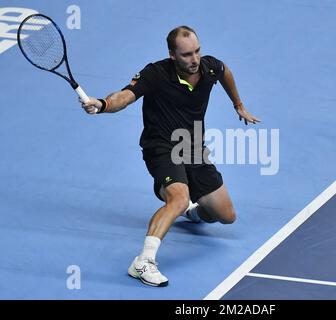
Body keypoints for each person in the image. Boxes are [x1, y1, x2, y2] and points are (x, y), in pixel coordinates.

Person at [80, 26, 260, 287]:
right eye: (186, 54)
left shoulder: (209, 68)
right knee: (178, 197)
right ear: (172, 55)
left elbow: (225, 71)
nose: (194, 59)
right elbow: (124, 97)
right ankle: (143, 262)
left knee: (224, 215)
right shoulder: (155, 74)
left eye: (197, 51)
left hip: (192, 147)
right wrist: (103, 104)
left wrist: (238, 105)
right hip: (161, 146)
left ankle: (191, 212)